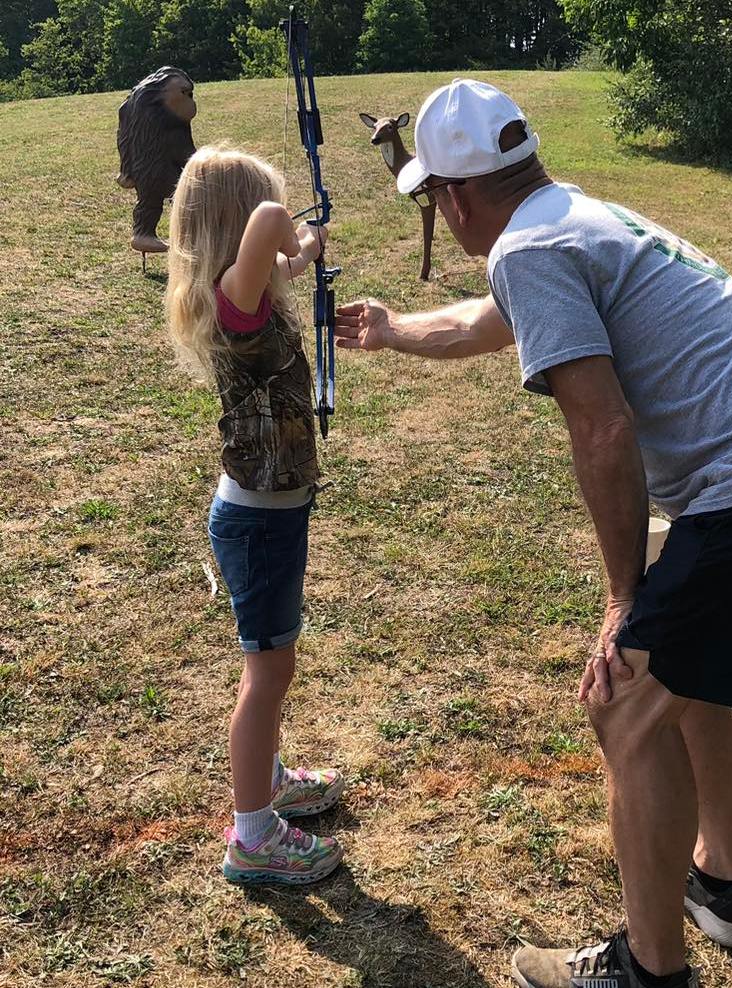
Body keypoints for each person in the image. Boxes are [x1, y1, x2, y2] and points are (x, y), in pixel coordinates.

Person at [335, 80, 732, 987]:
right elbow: (493, 322)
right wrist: (395, 332)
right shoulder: (579, 218)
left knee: (622, 700)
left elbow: (602, 428)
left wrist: (624, 597)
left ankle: (647, 970)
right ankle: (722, 890)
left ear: (456, 195)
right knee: (680, 679)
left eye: (432, 196)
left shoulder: (530, 247)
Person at [166, 146, 344, 885]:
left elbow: (278, 246)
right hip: (259, 520)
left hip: (268, 512)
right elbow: (275, 220)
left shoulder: (248, 295)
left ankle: (266, 784)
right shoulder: (234, 303)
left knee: (271, 666)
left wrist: (302, 256)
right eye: (263, 217)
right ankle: (253, 836)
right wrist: (295, 233)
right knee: (267, 673)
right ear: (239, 228)